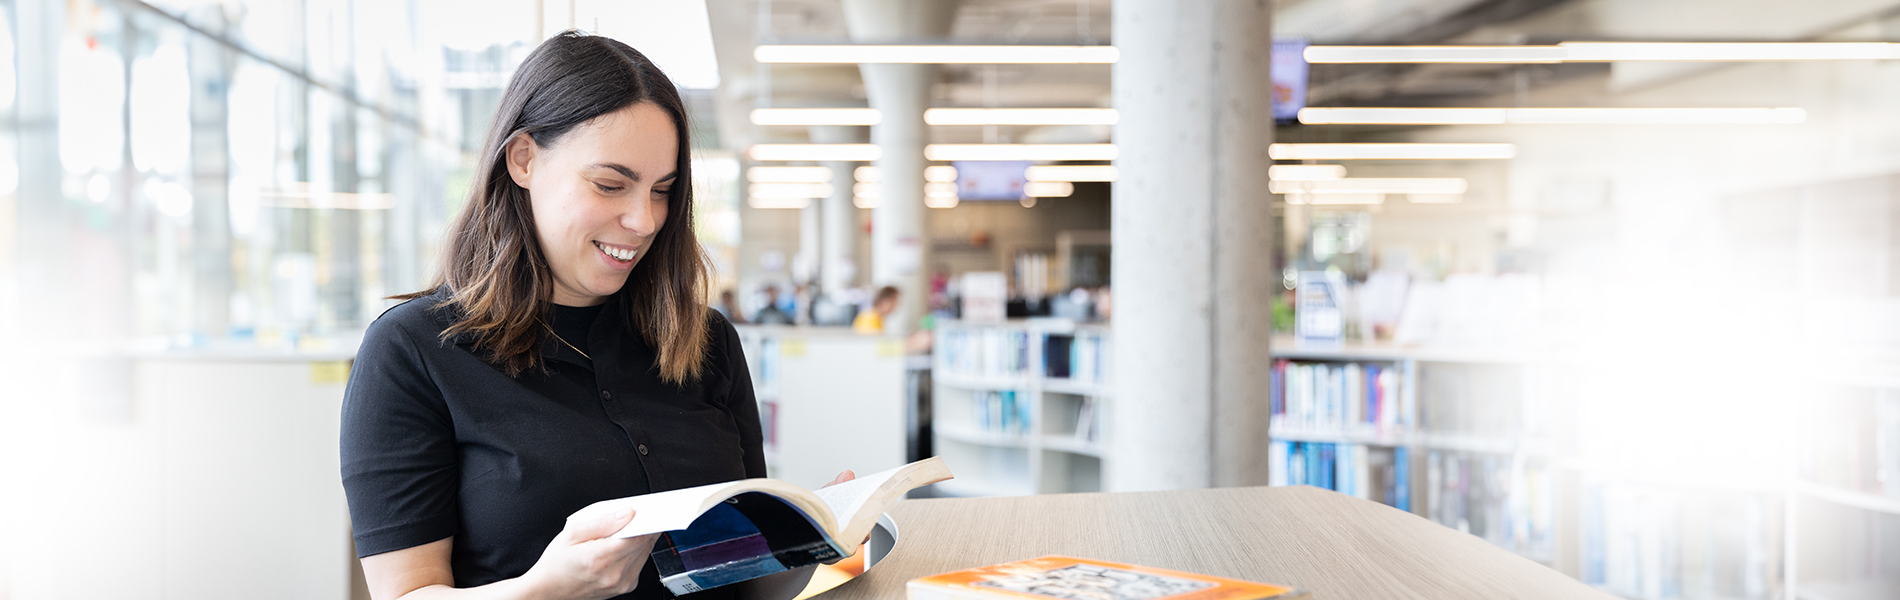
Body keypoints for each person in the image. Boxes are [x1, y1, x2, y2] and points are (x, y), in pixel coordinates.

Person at [340, 32, 850, 600]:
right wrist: (543, 590)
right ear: (524, 159)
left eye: (663, 191)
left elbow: (746, 579)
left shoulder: (705, 339)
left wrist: (809, 541)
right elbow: (403, 594)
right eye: (611, 184)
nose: (644, 220)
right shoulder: (413, 350)